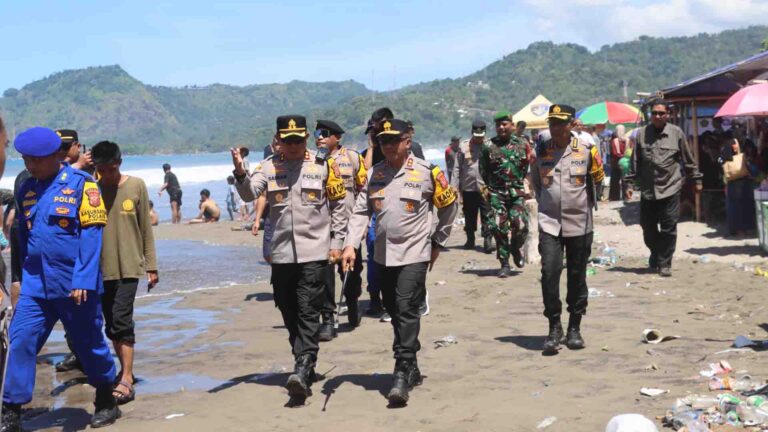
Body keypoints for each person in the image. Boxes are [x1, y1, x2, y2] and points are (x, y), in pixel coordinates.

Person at [1, 127, 120, 430]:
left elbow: (92, 236)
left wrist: (82, 278)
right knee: (22, 339)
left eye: (37, 160)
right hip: (36, 285)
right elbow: (24, 237)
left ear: (57, 155)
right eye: (26, 159)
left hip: (74, 285)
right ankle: (11, 409)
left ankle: (106, 397)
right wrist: (21, 277)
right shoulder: (26, 188)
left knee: (88, 343)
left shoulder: (83, 185)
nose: (31, 165)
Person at [231, 115, 347, 404]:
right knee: (287, 307)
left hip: (314, 251)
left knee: (308, 309)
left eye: (298, 140)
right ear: (279, 140)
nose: (293, 145)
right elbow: (248, 194)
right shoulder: (269, 166)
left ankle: (303, 365)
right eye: (288, 140)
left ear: (306, 138)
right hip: (282, 253)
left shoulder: (322, 166)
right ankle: (303, 358)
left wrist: (338, 243)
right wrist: (240, 171)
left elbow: (339, 206)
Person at [341, 119, 458, 405]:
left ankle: (401, 371)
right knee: (394, 310)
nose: (389, 146)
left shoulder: (427, 172)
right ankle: (412, 360)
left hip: (415, 253)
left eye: (394, 140)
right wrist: (350, 245)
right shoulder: (374, 175)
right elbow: (359, 212)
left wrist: (437, 242)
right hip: (382, 255)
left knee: (406, 307)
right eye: (383, 141)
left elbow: (449, 206)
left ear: (408, 141)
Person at [531, 105, 605, 355]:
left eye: (560, 123)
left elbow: (598, 180)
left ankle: (575, 327)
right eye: (552, 123)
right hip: (550, 222)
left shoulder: (586, 150)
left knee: (577, 275)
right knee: (549, 272)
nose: (555, 128)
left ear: (571, 124)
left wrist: (587, 207)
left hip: (580, 223)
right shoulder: (541, 150)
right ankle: (554, 326)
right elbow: (535, 182)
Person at [91, 140, 159, 405]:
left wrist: (151, 265)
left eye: (111, 169)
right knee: (111, 325)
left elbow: (146, 229)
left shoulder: (136, 185)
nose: (107, 175)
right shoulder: (91, 191)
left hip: (130, 267)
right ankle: (123, 370)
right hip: (101, 270)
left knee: (121, 320)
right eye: (101, 170)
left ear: (120, 163)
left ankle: (127, 377)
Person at [625, 102, 702, 277]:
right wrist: (629, 184)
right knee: (648, 227)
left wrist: (696, 179)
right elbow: (635, 161)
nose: (658, 116)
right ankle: (656, 251)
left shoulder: (676, 133)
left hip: (670, 188)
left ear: (668, 114)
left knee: (669, 227)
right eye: (654, 113)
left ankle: (665, 262)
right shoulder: (642, 134)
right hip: (648, 190)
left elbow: (688, 159)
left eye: (661, 113)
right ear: (650, 115)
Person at [314, 120, 367, 340]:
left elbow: (364, 190)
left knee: (352, 272)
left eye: (324, 134)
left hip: (349, 226)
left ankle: (352, 302)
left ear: (337, 137)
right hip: (321, 228)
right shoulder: (313, 161)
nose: (319, 137)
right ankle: (328, 318)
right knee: (324, 274)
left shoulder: (353, 158)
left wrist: (364, 222)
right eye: (317, 134)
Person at [480, 111, 530, 277]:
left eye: (504, 124)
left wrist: (519, 184)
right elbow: (483, 170)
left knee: (521, 225)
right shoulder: (488, 146)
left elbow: (525, 166)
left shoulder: (522, 144)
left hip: (516, 192)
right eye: (498, 125)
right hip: (496, 193)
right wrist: (492, 188)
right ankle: (504, 263)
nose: (501, 128)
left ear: (512, 125)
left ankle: (515, 248)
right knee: (498, 226)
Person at [451, 119, 494, 252]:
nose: (479, 139)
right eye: (476, 136)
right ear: (472, 133)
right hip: (468, 188)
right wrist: (454, 186)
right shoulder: (463, 147)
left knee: (487, 214)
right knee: (469, 215)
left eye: (481, 137)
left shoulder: (490, 146)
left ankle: (488, 240)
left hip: (485, 187)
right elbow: (457, 168)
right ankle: (470, 239)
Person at [608, 125, 627, 201]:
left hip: (616, 164)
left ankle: (614, 197)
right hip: (626, 164)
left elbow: (614, 153)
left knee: (615, 181)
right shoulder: (628, 140)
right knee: (625, 180)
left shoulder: (614, 141)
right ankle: (626, 196)